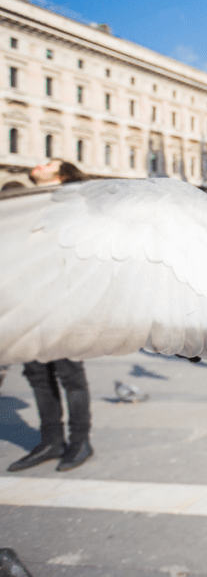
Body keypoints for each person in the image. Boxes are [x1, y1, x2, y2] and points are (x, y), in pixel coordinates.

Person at [7, 159, 94, 473]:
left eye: (48, 163)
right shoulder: (25, 203)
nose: (38, 164)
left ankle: (80, 441)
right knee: (38, 377)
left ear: (60, 176)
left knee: (69, 375)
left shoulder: (73, 206)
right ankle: (50, 440)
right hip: (26, 302)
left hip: (61, 302)